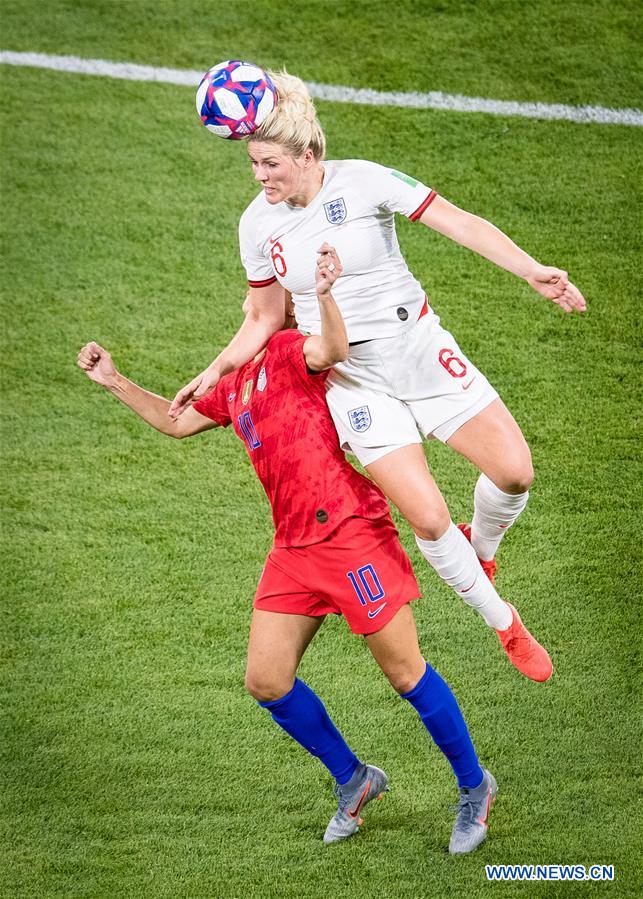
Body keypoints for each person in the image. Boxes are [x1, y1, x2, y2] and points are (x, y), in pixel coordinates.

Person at [170, 70, 588, 683]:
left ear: (307, 153)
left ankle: (483, 555)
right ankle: (506, 623)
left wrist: (531, 270)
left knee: (515, 472)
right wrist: (213, 371)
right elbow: (262, 317)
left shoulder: (363, 181)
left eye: (269, 165)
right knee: (427, 517)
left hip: (418, 347)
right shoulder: (257, 226)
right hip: (352, 380)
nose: (260, 178)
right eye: (253, 165)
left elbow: (458, 221)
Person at [78, 248, 497, 854]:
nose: (250, 308)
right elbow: (174, 423)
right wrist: (113, 379)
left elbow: (332, 351)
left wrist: (325, 296)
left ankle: (473, 786)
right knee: (267, 681)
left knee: (405, 673)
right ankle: (354, 780)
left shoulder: (287, 350)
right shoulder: (235, 384)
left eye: (258, 304)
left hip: (351, 535)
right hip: (293, 549)